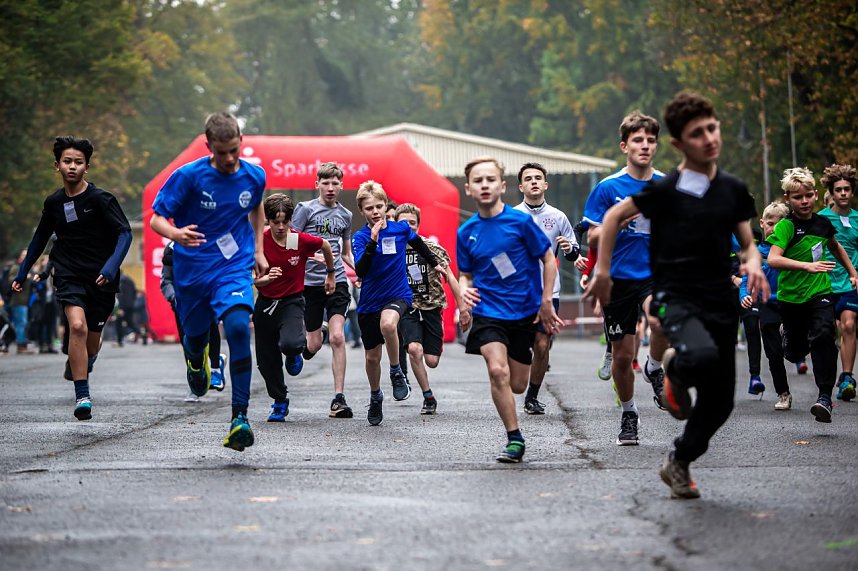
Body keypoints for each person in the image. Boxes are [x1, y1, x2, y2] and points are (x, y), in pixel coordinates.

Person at [587, 91, 768, 499]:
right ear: (679, 143)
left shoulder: (732, 189)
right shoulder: (666, 189)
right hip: (675, 294)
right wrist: (602, 272)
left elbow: (747, 241)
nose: (709, 138)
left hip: (719, 299)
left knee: (720, 403)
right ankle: (675, 370)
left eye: (712, 128)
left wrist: (754, 262)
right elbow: (612, 218)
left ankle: (679, 460)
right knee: (698, 355)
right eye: (697, 133)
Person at [150, 112, 266, 451]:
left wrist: (259, 249)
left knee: (238, 327)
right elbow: (156, 219)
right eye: (222, 152)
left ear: (241, 142)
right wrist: (176, 234)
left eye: (234, 151)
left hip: (233, 266)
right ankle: (195, 360)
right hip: (193, 272)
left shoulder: (254, 176)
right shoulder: (188, 176)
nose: (229, 159)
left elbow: (256, 208)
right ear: (208, 146)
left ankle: (240, 418)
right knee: (196, 336)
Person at [12, 136, 132, 420]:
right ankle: (82, 396)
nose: (73, 166)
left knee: (91, 342)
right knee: (76, 326)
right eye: (67, 161)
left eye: (79, 162)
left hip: (101, 277)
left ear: (86, 167)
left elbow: (125, 233)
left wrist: (110, 267)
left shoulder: (101, 199)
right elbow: (41, 237)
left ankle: (85, 359)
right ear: (57, 165)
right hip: (68, 272)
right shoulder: (54, 203)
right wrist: (23, 271)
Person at [457, 157, 563, 463]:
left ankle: (525, 397)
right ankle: (514, 438)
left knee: (517, 384)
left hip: (524, 312)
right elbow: (465, 274)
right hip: (488, 312)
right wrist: (463, 292)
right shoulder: (466, 232)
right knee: (497, 370)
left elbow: (548, 259)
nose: (485, 185)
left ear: (502, 186)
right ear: (469, 189)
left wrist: (546, 300)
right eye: (478, 180)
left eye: (490, 179)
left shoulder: (521, 223)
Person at [582, 110, 670, 446]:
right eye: (638, 140)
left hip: (655, 272)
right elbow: (591, 236)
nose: (645, 146)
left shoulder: (667, 185)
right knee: (621, 355)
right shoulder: (608, 188)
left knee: (661, 320)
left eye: (651, 140)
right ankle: (629, 413)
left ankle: (655, 366)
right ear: (624, 146)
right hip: (617, 278)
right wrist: (616, 223)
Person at [767, 167, 858, 423]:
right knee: (795, 353)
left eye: (808, 195)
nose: (804, 201)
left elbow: (835, 247)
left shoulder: (822, 224)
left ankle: (825, 397)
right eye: (798, 197)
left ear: (816, 195)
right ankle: (789, 336)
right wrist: (806, 266)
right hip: (791, 298)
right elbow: (773, 259)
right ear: (788, 199)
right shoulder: (786, 227)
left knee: (824, 335)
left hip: (820, 292)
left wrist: (853, 273)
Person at [352, 181, 442, 426]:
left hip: (398, 294)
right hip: (370, 301)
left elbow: (419, 243)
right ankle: (375, 396)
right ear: (362, 211)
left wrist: (435, 264)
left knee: (389, 324)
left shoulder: (400, 229)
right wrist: (372, 241)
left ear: (385, 206)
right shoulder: (360, 238)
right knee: (372, 357)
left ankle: (395, 371)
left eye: (379, 206)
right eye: (369, 208)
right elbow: (360, 270)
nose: (375, 212)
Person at [253, 193, 335, 421]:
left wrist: (330, 273)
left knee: (290, 343)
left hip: (292, 301)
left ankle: (293, 352)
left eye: (285, 221)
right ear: (268, 220)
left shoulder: (297, 239)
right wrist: (266, 279)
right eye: (275, 222)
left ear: (290, 220)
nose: (281, 227)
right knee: (266, 362)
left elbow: (325, 245)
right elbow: (255, 281)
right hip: (266, 303)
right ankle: (280, 401)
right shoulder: (260, 242)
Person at [291, 162, 356, 418]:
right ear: (317, 184)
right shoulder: (305, 209)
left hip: (337, 280)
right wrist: (312, 257)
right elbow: (291, 243)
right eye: (325, 183)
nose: (330, 188)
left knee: (338, 338)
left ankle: (339, 398)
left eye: (335, 183)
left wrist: (362, 271)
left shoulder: (346, 215)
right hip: (310, 284)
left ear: (341, 186)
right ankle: (313, 340)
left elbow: (346, 253)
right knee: (314, 345)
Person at [514, 162, 579, 414]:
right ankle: (515, 379)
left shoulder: (558, 217)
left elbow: (573, 252)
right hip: (519, 292)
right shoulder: (512, 216)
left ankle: (532, 397)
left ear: (545, 184)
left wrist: (569, 249)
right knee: (520, 346)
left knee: (542, 345)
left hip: (549, 292)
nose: (533, 182)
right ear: (521, 187)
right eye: (528, 178)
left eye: (538, 178)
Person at [394, 202, 467, 415]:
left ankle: (430, 347)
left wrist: (462, 308)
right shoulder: (391, 250)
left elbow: (451, 277)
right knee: (414, 349)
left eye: (412, 223)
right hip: (407, 306)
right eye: (403, 223)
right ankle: (428, 397)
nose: (408, 226)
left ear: (418, 225)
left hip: (432, 305)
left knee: (432, 361)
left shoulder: (431, 248)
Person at [159, 240, 227, 402]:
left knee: (210, 327)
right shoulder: (172, 248)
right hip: (182, 305)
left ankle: (215, 367)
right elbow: (166, 280)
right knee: (188, 343)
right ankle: (195, 383)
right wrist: (174, 297)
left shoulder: (208, 241)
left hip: (205, 298)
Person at [739, 201, 791, 409]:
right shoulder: (757, 253)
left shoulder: (790, 250)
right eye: (770, 224)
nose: (773, 229)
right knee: (773, 353)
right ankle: (783, 393)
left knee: (794, 348)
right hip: (767, 304)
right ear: (762, 223)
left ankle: (793, 342)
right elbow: (745, 279)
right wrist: (744, 294)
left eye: (779, 225)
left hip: (790, 302)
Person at [818, 163, 858, 401]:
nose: (843, 193)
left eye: (847, 189)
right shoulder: (821, 219)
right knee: (827, 332)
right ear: (831, 193)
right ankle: (827, 376)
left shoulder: (857, 219)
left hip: (850, 282)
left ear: (852, 191)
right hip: (824, 282)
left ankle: (847, 378)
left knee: (849, 325)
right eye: (838, 190)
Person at [114, 271, 138, 346]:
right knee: (130, 322)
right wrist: (132, 303)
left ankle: (119, 341)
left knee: (118, 322)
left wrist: (121, 307)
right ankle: (142, 332)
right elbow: (135, 292)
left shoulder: (121, 281)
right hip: (130, 305)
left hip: (123, 306)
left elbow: (121, 295)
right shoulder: (130, 280)